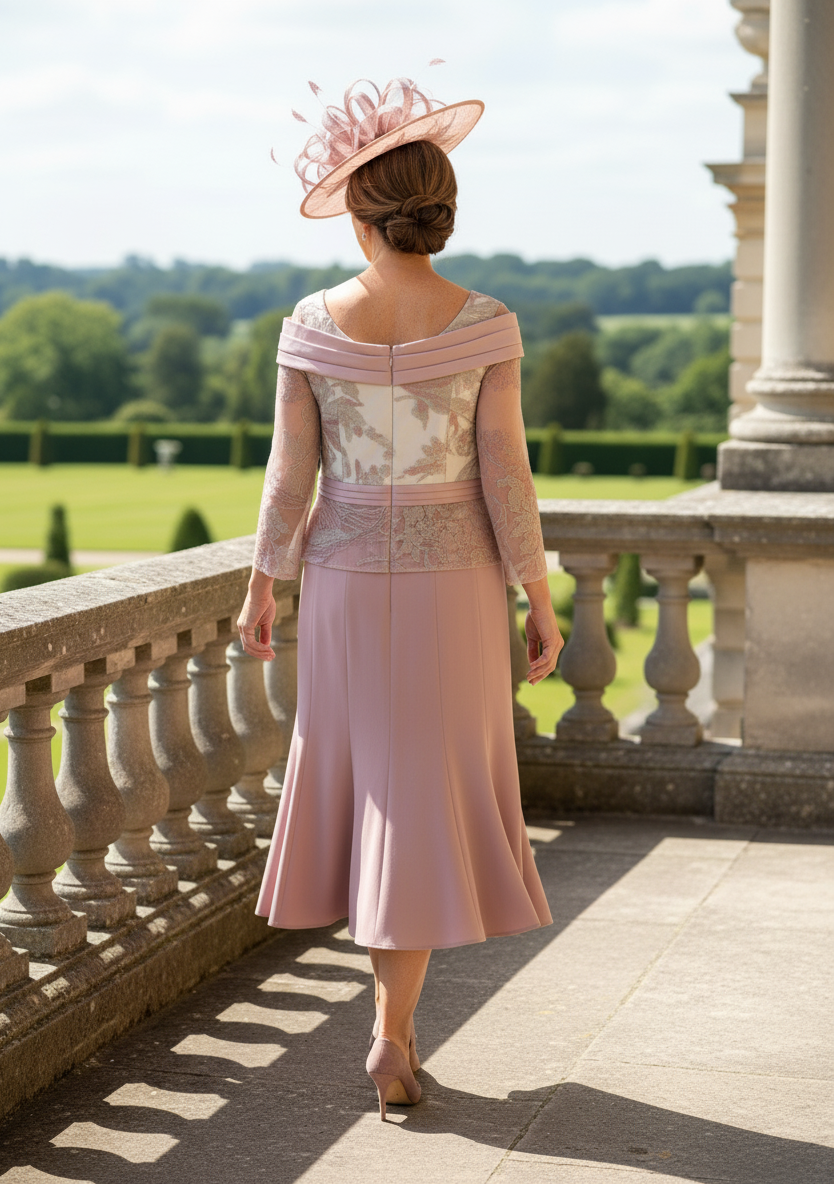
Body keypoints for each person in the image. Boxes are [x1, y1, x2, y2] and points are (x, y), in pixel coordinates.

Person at [238, 76, 563, 1121]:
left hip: (338, 579)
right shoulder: (488, 322)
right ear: (438, 207)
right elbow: (505, 475)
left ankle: (393, 1028)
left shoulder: (307, 322)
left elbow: (290, 476)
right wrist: (536, 594)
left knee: (372, 790)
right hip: (455, 583)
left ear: (364, 212)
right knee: (420, 800)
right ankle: (392, 1032)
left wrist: (263, 580)